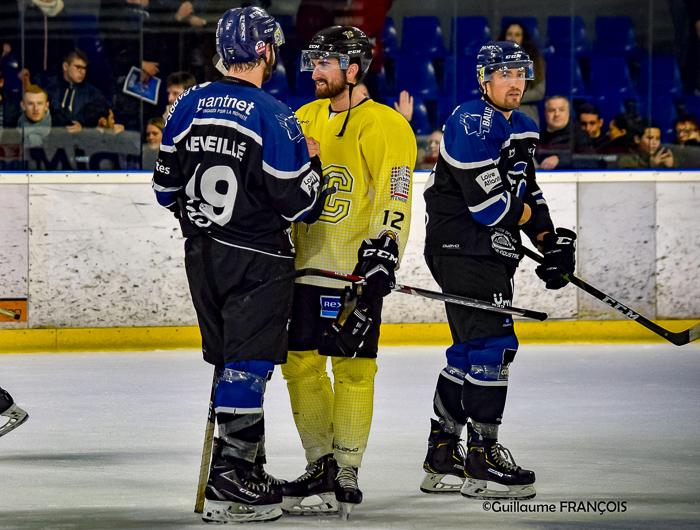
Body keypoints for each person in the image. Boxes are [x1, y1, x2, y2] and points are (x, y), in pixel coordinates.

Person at [152, 6, 331, 523]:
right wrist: (313, 161)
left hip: (201, 257)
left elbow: (164, 191)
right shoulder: (275, 115)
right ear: (264, 51)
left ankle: (246, 468)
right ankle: (232, 478)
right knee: (247, 366)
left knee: (230, 364)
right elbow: (300, 204)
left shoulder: (186, 104)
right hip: (257, 259)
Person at [422, 41, 576, 500]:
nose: (515, 82)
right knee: (493, 346)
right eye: (504, 73)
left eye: (519, 73)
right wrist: (527, 219)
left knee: (469, 351)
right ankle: (483, 458)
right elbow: (489, 207)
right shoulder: (469, 120)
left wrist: (549, 240)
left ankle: (443, 453)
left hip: (488, 251)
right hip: (461, 248)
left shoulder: (524, 126)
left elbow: (528, 190)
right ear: (484, 79)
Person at [279, 26, 416, 518]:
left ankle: (349, 468)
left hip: (354, 273)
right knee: (299, 365)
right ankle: (321, 463)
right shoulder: (301, 117)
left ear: (353, 70)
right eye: (313, 61)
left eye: (325, 63)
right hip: (302, 269)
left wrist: (385, 249)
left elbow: (396, 191)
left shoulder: (386, 125)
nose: (315, 71)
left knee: (354, 369)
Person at [499, 21, 546, 126]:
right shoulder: (494, 60)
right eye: (509, 34)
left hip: (526, 112)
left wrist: (513, 97)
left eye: (517, 35)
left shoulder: (533, 61)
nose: (513, 38)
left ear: (523, 38)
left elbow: (539, 92)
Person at [536, 94, 591, 169]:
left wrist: (560, 160)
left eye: (561, 110)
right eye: (552, 110)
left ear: (568, 112)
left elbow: (590, 160)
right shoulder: (538, 137)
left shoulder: (579, 134)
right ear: (545, 113)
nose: (557, 114)